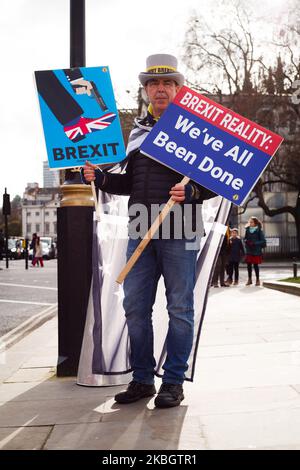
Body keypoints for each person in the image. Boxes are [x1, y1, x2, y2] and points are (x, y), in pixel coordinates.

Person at [82, 54, 216, 408]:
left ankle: (172, 382)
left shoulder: (195, 130)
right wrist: (103, 178)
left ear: (179, 89)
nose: (161, 89)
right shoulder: (137, 133)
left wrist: (193, 191)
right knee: (135, 309)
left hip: (181, 225)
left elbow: (217, 181)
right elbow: (132, 183)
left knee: (179, 309)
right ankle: (142, 380)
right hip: (140, 224)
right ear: (145, 91)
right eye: (154, 84)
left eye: (168, 83)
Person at [244, 216, 266, 286]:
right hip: (249, 250)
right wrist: (246, 241)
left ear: (255, 223)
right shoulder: (247, 230)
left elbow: (263, 241)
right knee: (248, 265)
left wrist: (254, 243)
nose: (250, 223)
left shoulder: (259, 230)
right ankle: (249, 279)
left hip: (256, 250)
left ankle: (257, 280)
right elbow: (245, 238)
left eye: (251, 222)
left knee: (255, 265)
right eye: (249, 222)